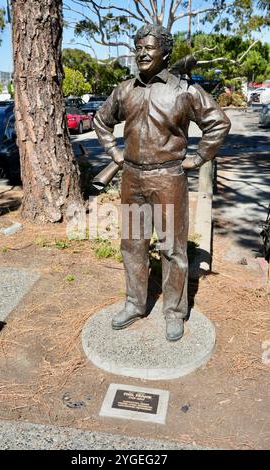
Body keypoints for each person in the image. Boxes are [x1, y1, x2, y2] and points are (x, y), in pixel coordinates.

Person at [94, 24, 231, 341]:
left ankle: (173, 312)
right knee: (132, 244)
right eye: (138, 47)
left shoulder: (185, 90)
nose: (141, 53)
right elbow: (101, 120)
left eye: (149, 47)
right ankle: (134, 303)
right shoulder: (125, 90)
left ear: (166, 52)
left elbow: (218, 124)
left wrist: (198, 159)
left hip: (168, 178)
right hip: (131, 179)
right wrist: (114, 152)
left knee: (172, 248)